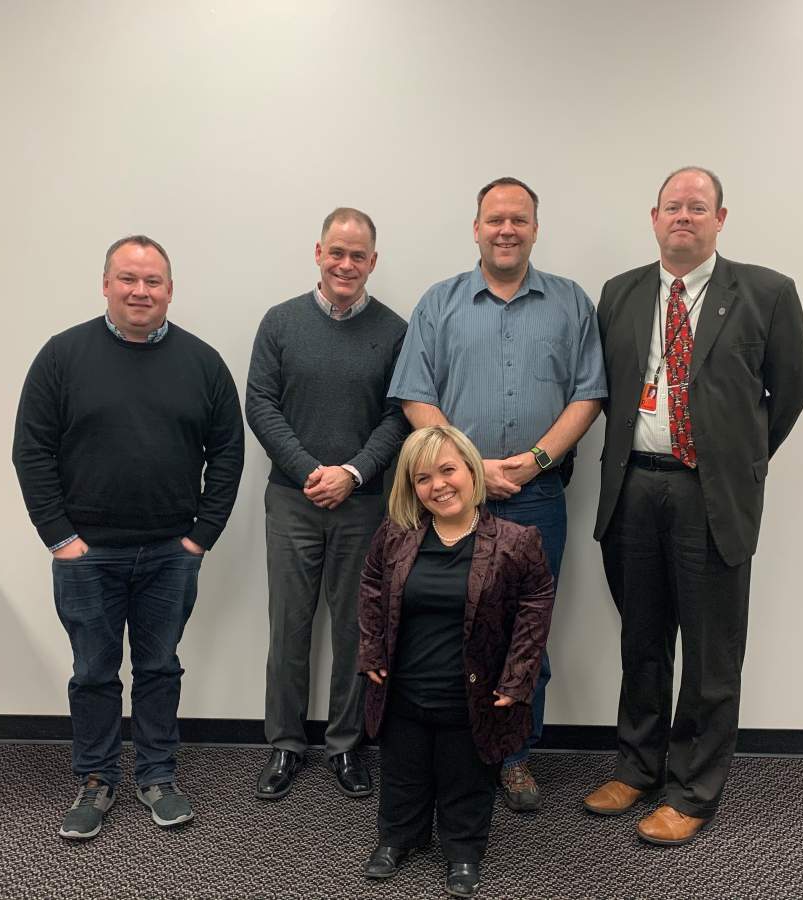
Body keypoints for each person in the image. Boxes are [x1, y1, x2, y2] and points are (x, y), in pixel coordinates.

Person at [585, 167, 803, 845]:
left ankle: (693, 789)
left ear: (720, 218)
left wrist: (729, 456)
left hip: (709, 493)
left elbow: (788, 394)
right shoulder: (619, 294)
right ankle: (637, 764)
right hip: (634, 488)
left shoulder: (766, 293)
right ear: (654, 218)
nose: (684, 216)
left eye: (697, 207)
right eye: (672, 207)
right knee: (641, 639)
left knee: (712, 653)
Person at [12, 235, 244, 840]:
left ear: (171, 289)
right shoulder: (62, 356)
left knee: (160, 667)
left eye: (153, 281)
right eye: (128, 279)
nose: (140, 291)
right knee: (93, 671)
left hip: (172, 553)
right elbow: (31, 450)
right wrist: (59, 537)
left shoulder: (203, 363)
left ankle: (158, 776)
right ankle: (95, 781)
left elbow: (227, 454)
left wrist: (202, 537)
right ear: (106, 284)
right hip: (87, 553)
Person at [387, 176, 606, 810]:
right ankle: (452, 750)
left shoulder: (570, 303)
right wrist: (471, 467)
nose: (506, 229)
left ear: (535, 228)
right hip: (454, 499)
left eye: (518, 219)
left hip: (537, 498)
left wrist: (536, 461)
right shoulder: (439, 303)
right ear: (476, 227)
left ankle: (514, 756)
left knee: (524, 633)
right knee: (446, 626)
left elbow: (588, 395)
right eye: (494, 219)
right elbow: (414, 396)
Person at [245, 207, 408, 801]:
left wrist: (354, 472)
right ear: (318, 253)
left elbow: (399, 415)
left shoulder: (395, 330)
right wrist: (312, 470)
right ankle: (286, 743)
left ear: (372, 262)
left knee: (356, 629)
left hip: (364, 504)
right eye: (336, 252)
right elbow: (260, 404)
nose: (345, 264)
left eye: (357, 255)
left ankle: (347, 745)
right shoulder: (280, 322)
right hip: (292, 500)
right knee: (288, 625)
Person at [358, 425, 554, 898]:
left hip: (473, 692)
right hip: (405, 687)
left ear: (471, 470)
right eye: (423, 478)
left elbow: (537, 602)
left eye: (448, 470)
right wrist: (369, 648)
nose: (438, 485)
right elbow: (370, 586)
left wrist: (519, 674)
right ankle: (398, 837)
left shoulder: (514, 540)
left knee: (465, 774)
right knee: (403, 769)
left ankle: (464, 850)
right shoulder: (396, 535)